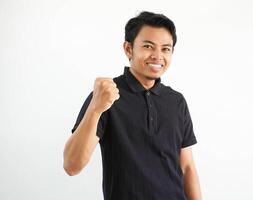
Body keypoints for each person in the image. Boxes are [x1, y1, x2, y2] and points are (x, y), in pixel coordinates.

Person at [63, 11, 202, 200]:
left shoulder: (176, 101)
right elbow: (71, 165)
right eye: (148, 46)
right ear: (128, 49)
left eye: (165, 49)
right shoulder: (106, 95)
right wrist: (95, 109)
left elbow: (187, 167)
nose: (157, 56)